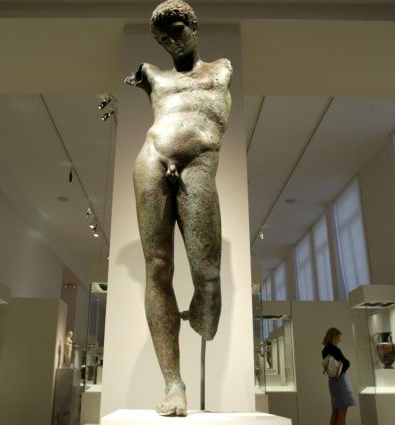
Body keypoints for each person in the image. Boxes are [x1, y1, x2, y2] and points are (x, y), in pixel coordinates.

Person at [124, 0, 232, 416]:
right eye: (162, 38)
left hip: (198, 161)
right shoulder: (154, 75)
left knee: (208, 275)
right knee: (157, 267)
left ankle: (204, 309)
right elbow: (146, 73)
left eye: (177, 31)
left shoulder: (221, 69)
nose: (171, 42)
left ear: (193, 27)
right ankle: (174, 384)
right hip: (152, 160)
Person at [322, 327, 356, 425]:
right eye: (338, 337)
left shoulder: (324, 350)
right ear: (334, 337)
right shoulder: (335, 349)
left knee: (335, 411)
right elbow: (346, 363)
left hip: (332, 383)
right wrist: (344, 365)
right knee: (342, 413)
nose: (339, 340)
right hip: (340, 382)